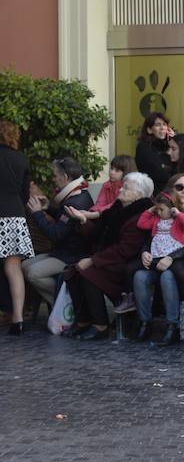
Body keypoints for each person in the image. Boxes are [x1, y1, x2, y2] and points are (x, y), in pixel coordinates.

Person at [63, 173, 154, 340]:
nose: (121, 189)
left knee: (88, 274)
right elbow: (98, 234)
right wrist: (83, 220)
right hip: (108, 258)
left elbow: (124, 250)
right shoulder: (117, 209)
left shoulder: (139, 216)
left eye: (126, 187)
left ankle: (100, 325)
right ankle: (83, 320)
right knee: (72, 271)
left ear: (139, 195)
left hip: (124, 264)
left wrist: (93, 260)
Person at [133, 173, 184, 346]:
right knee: (139, 277)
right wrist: (145, 252)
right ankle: (145, 322)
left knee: (167, 276)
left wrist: (171, 257)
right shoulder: (160, 214)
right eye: (179, 187)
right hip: (159, 260)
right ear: (170, 190)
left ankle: (172, 326)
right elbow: (151, 237)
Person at [23, 158, 93, 309]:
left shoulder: (74, 201)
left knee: (33, 274)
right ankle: (62, 301)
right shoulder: (77, 194)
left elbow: (56, 234)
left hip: (72, 255)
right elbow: (65, 222)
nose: (53, 179)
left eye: (55, 175)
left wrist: (37, 214)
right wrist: (48, 208)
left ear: (66, 177)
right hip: (63, 251)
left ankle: (65, 304)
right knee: (24, 266)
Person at [0, 120, 35, 335]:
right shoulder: (20, 158)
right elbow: (25, 194)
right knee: (13, 268)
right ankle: (18, 319)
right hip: (14, 217)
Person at [67, 154, 137, 221]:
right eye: (111, 168)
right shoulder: (106, 185)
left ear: (126, 172)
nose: (112, 172)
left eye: (117, 170)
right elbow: (100, 202)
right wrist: (91, 212)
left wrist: (94, 214)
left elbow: (115, 205)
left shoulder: (129, 188)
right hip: (106, 216)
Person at [135, 111, 172, 193]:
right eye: (158, 125)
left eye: (164, 124)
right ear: (149, 130)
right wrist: (167, 155)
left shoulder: (169, 145)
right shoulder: (144, 147)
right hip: (154, 194)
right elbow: (160, 174)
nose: (162, 128)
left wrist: (174, 141)